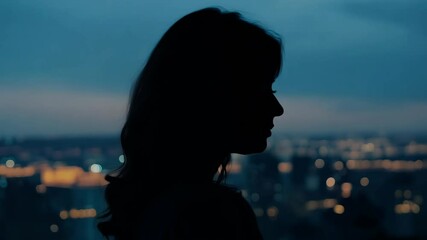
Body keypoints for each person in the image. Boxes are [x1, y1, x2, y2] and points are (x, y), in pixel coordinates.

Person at [97, 6, 284, 240]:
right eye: (261, 89)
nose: (277, 108)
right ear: (214, 95)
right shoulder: (212, 216)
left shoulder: (155, 207)